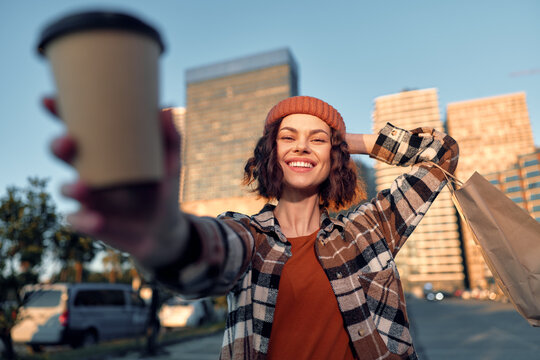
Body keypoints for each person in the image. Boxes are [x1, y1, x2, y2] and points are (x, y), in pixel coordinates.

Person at [47, 95, 459, 359]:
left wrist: (346, 139)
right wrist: (166, 234)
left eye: (316, 140)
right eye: (288, 137)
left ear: (334, 157)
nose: (301, 146)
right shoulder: (247, 235)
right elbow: (207, 254)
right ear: (269, 152)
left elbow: (442, 154)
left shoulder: (369, 228)